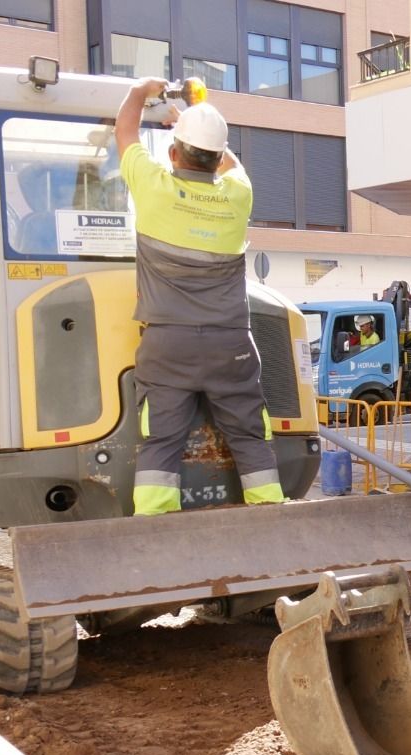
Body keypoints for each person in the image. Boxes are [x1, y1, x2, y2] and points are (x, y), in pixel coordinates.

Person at [114, 79, 284, 515]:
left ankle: (154, 522)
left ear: (173, 153)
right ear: (217, 156)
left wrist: (139, 93)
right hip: (231, 345)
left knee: (163, 439)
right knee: (249, 436)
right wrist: (196, 113)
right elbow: (230, 165)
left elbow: (125, 132)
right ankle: (271, 513)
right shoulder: (238, 196)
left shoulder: (153, 189)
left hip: (168, 346)